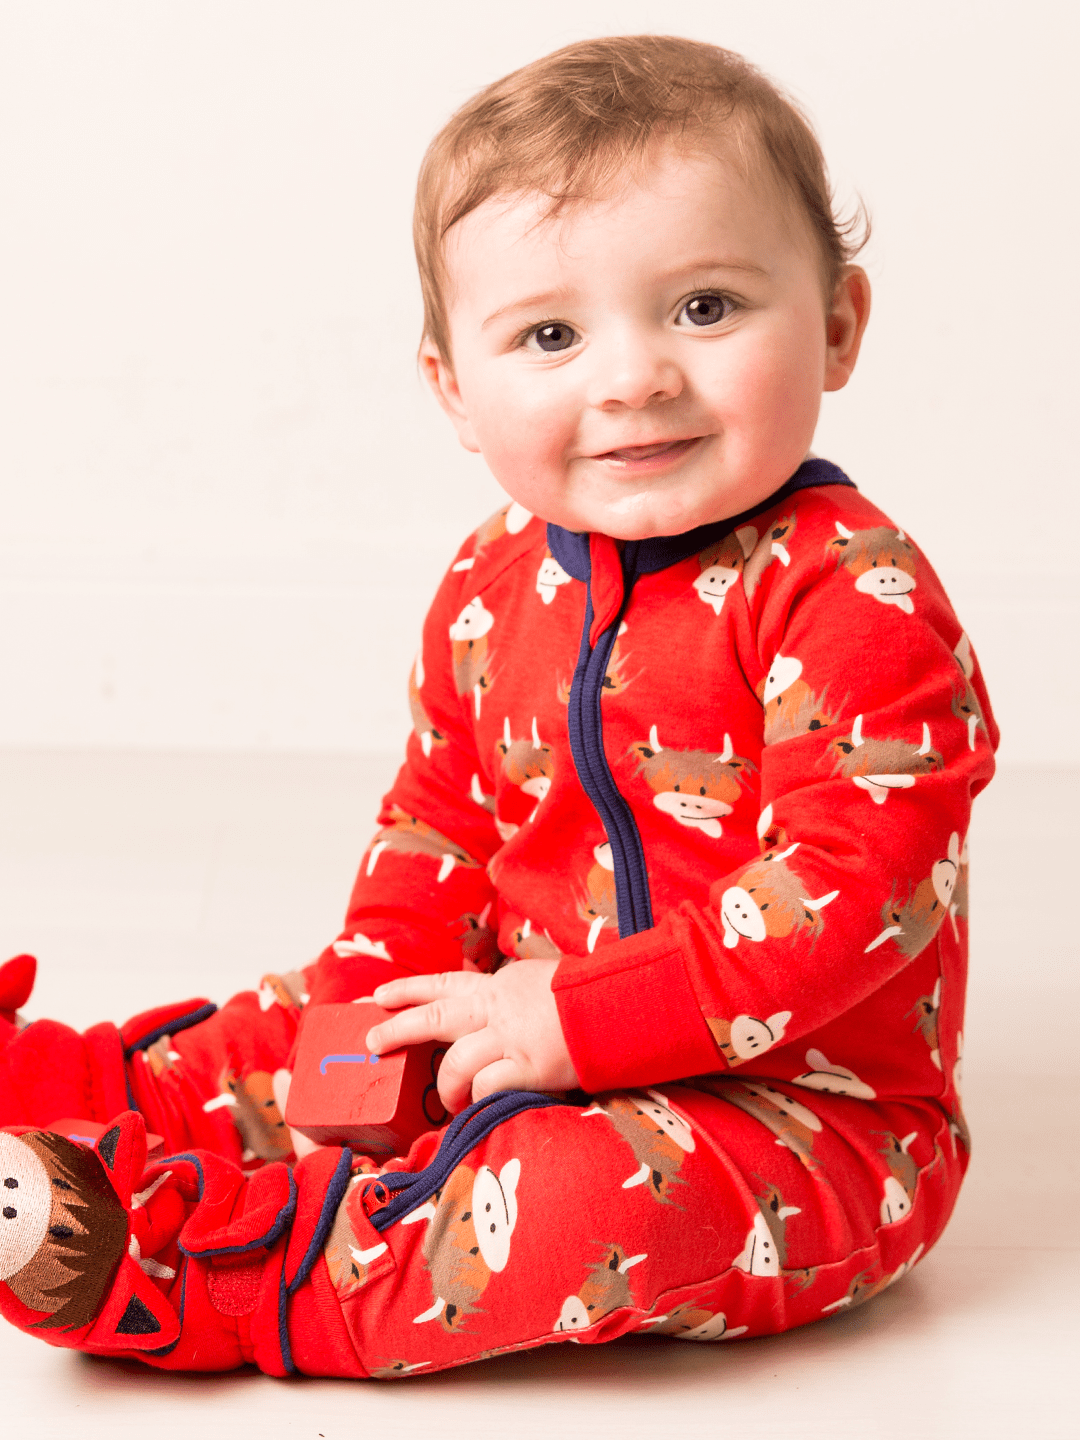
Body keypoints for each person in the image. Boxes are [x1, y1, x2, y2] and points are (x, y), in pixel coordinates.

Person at [0, 34, 995, 1377]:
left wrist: (579, 1021)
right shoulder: (491, 581)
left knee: (581, 1202)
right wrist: (363, 1043)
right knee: (295, 1029)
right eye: (551, 335)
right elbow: (438, 827)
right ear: (456, 390)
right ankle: (71, 1102)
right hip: (506, 1015)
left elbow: (855, 886)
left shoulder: (852, 594)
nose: (633, 377)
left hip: (796, 1113)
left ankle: (217, 1273)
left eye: (705, 307)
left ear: (836, 325)